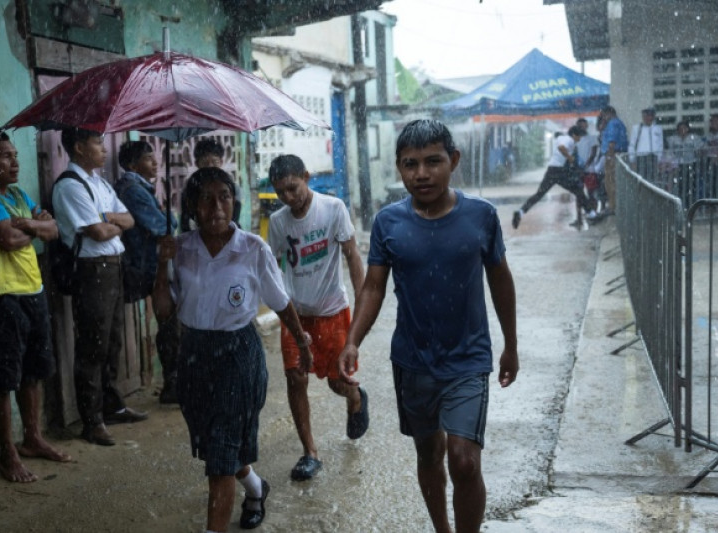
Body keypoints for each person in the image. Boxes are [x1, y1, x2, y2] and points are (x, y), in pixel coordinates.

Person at [338, 119, 518, 533]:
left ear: (453, 161)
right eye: (410, 164)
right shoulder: (389, 223)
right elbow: (373, 289)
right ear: (399, 168)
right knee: (428, 454)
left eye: (433, 162)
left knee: (464, 460)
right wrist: (352, 341)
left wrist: (510, 344)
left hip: (469, 359)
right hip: (413, 361)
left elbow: (500, 280)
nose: (422, 174)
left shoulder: (481, 217)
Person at [152, 167, 314, 532]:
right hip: (193, 356)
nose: (216, 207)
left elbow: (280, 300)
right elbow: (163, 311)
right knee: (214, 446)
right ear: (192, 206)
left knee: (221, 457)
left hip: (238, 356)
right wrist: (161, 264)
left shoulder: (253, 248)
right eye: (206, 199)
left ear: (234, 202)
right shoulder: (181, 249)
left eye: (224, 196)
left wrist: (301, 342)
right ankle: (255, 487)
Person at [0, 129, 71, 483]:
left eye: (14, 155)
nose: (14, 161)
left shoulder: (20, 194)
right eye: (4, 155)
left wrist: (32, 224)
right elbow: (7, 239)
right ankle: (7, 454)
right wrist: (34, 228)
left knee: (33, 371)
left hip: (32, 291)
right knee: (3, 378)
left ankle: (33, 438)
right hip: (0, 297)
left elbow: (55, 230)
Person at [266, 154, 367, 482]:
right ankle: (310, 452)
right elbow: (274, 266)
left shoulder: (333, 208)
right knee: (296, 378)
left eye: (293, 188)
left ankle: (355, 398)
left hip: (331, 313)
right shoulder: (279, 222)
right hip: (295, 316)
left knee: (338, 381)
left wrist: (363, 309)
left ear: (306, 177)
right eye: (281, 192)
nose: (288, 197)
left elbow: (352, 258)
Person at [52, 128, 147, 446]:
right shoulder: (70, 185)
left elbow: (129, 219)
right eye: (97, 143)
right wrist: (109, 221)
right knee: (93, 345)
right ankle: (91, 421)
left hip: (113, 268)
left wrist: (110, 218)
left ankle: (112, 405)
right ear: (79, 147)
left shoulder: (99, 182)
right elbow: (97, 232)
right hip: (92, 271)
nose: (104, 149)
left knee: (112, 341)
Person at [114, 140, 179, 404]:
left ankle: (172, 382)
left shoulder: (140, 188)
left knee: (169, 322)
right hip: (144, 266)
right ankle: (172, 384)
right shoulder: (133, 190)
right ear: (132, 164)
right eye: (148, 158)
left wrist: (166, 218)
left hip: (148, 264)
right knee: (169, 322)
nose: (155, 162)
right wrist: (168, 217)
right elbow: (163, 226)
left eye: (155, 157)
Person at [512, 126, 595, 229]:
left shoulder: (561, 138)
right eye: (579, 136)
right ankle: (592, 213)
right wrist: (570, 158)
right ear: (574, 135)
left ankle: (520, 212)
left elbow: (559, 143)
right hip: (559, 171)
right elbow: (561, 148)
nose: (580, 139)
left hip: (551, 170)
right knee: (577, 190)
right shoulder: (569, 140)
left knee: (539, 194)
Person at [598, 105, 628, 214]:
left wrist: (610, 156)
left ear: (609, 113)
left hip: (613, 155)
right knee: (614, 181)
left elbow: (612, 142)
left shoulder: (613, 124)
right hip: (618, 154)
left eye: (604, 115)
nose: (603, 118)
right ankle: (614, 205)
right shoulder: (619, 123)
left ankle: (613, 206)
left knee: (610, 182)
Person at [667, 120, 704, 202]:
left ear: (688, 129)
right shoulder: (673, 139)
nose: (682, 130)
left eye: (684, 128)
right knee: (680, 186)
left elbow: (700, 150)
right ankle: (682, 205)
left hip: (691, 164)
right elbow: (670, 152)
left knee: (691, 186)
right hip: (679, 165)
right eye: (680, 128)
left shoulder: (694, 137)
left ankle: (691, 204)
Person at [628, 107, 664, 181]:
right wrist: (632, 160)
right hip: (641, 157)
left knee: (653, 180)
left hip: (654, 157)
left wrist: (660, 159)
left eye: (651, 115)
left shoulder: (658, 128)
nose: (648, 118)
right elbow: (632, 145)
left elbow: (660, 144)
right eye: (646, 116)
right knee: (641, 180)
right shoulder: (637, 128)